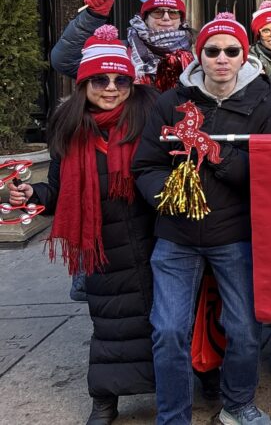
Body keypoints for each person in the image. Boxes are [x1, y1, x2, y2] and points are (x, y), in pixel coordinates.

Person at [132, 12, 271, 425]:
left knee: (244, 329)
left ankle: (237, 405)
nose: (222, 58)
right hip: (175, 236)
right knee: (168, 332)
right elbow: (144, 165)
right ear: (199, 56)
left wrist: (221, 158)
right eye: (212, 50)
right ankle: (173, 416)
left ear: (243, 56)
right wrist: (166, 196)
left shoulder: (265, 103)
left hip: (233, 234)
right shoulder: (171, 103)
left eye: (231, 50)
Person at [10, 26, 158, 425]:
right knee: (110, 325)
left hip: (152, 238)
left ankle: (182, 383)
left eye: (120, 79)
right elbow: (57, 189)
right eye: (100, 80)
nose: (111, 88)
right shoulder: (68, 125)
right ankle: (105, 398)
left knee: (168, 320)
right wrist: (34, 194)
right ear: (83, 83)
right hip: (101, 244)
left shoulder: (151, 111)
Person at [51, 0, 195, 92]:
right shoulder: (120, 51)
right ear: (145, 18)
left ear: (181, 19)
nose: (166, 18)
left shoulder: (200, 53)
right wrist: (93, 17)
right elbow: (64, 61)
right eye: (158, 12)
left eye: (173, 13)